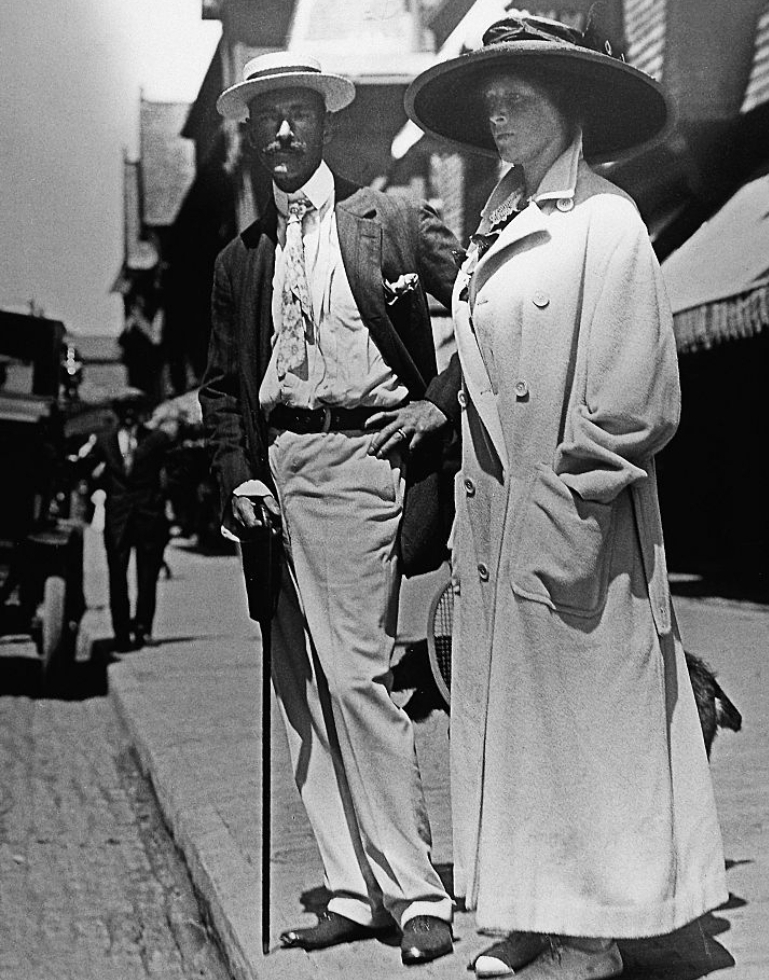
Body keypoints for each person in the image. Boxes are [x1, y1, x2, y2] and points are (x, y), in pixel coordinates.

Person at [405, 16, 729, 980]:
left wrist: (564, 507)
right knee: (510, 726)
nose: (500, 111)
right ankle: (525, 909)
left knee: (581, 728)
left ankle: (588, 937)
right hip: (495, 523)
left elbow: (637, 397)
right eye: (490, 95)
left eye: (522, 93)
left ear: (569, 102)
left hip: (572, 525)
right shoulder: (500, 219)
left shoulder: (606, 221)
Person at [200, 52, 461, 965]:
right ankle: (351, 890)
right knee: (299, 688)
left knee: (356, 678)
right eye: (264, 117)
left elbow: (483, 297)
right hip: (278, 476)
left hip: (362, 461)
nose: (280, 132)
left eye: (296, 115)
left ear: (325, 125)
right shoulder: (241, 259)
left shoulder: (384, 218)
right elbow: (224, 389)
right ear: (250, 133)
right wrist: (239, 475)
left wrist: (441, 398)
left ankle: (417, 891)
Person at [85, 389, 174, 651]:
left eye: (134, 410)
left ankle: (143, 627)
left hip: (149, 516)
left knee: (147, 576)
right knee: (117, 575)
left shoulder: (157, 440)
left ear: (141, 413)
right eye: (124, 411)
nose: (129, 416)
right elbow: (87, 471)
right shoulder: (104, 442)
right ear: (117, 414)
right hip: (118, 519)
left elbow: (176, 470)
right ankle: (121, 631)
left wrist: (163, 500)